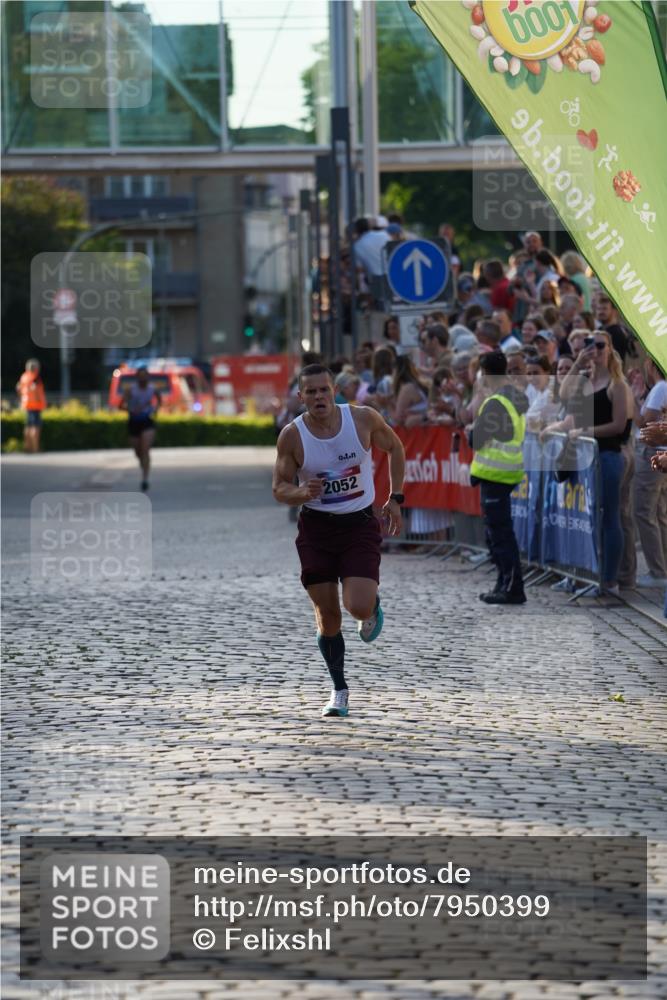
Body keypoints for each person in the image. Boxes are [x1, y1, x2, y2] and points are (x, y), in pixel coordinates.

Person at [272, 364, 406, 718]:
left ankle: (371, 605)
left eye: (324, 390)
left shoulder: (361, 420)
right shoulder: (292, 436)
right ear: (301, 398)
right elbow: (279, 487)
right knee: (327, 617)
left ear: (335, 391)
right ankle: (339, 689)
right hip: (316, 530)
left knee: (357, 607)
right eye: (311, 392)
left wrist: (396, 497)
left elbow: (395, 447)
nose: (318, 397)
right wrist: (301, 491)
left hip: (359, 524)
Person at [564, 333, 629, 593]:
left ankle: (610, 580)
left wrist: (586, 431)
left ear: (610, 349)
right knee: (591, 517)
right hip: (588, 458)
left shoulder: (617, 384)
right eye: (591, 345)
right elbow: (564, 391)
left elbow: (619, 425)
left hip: (608, 457)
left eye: (601, 345)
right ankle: (595, 575)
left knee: (610, 516)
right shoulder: (587, 380)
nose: (596, 350)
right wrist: (578, 362)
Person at [469, 350, 529, 605]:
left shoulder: (495, 402)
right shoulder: (515, 396)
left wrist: (472, 429)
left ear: (485, 373)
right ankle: (504, 582)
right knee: (499, 533)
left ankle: (512, 586)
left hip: (496, 473)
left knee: (500, 535)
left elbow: (477, 439)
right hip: (507, 471)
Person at [632, 357, 667, 586]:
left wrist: (632, 400)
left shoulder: (661, 387)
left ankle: (657, 570)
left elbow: (647, 426)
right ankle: (661, 568)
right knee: (660, 513)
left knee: (644, 512)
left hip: (652, 455)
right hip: (658, 455)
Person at [119, 366, 161, 491]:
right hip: (134, 421)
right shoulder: (131, 390)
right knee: (138, 451)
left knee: (145, 449)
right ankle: (143, 464)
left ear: (148, 377)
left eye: (145, 376)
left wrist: (155, 410)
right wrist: (131, 409)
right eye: (141, 376)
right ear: (137, 377)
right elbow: (121, 405)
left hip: (147, 421)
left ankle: (145, 479)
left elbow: (159, 401)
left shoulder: (152, 389)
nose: (143, 378)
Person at [16, 358, 46, 453]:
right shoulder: (35, 378)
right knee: (35, 428)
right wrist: (39, 400)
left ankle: (27, 447)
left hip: (26, 404)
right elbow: (35, 390)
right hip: (35, 405)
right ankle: (35, 448)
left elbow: (18, 388)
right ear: (35, 368)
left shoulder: (24, 377)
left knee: (28, 427)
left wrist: (22, 399)